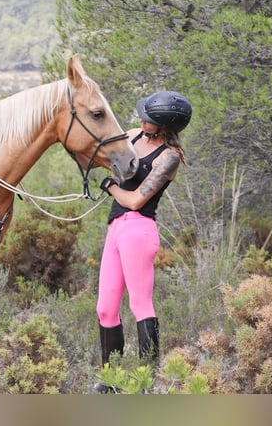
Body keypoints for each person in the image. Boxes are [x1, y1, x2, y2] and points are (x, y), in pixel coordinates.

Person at [94, 91, 192, 385]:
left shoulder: (169, 158)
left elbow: (136, 200)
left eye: (148, 119)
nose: (141, 120)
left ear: (164, 126)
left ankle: (147, 383)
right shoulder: (134, 136)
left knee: (140, 305)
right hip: (116, 228)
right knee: (105, 308)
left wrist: (111, 187)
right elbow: (108, 152)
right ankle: (110, 381)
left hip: (138, 229)